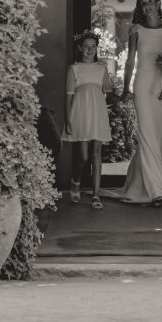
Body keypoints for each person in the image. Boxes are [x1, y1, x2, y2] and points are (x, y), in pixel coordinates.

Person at [102, 0, 162, 207]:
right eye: (143, 3)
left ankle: (137, 186)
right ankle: (158, 192)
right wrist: (126, 88)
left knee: (157, 139)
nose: (147, 6)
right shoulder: (136, 30)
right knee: (146, 137)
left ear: (157, 3)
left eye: (150, 1)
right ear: (140, 8)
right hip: (143, 87)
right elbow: (130, 61)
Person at [63, 29, 112, 210]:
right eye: (86, 47)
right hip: (80, 112)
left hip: (97, 112)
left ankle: (96, 195)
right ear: (79, 48)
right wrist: (68, 119)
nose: (90, 50)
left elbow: (107, 88)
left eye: (93, 47)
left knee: (96, 153)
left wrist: (109, 83)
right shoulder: (74, 68)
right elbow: (69, 96)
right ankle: (76, 181)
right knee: (83, 155)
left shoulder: (102, 68)